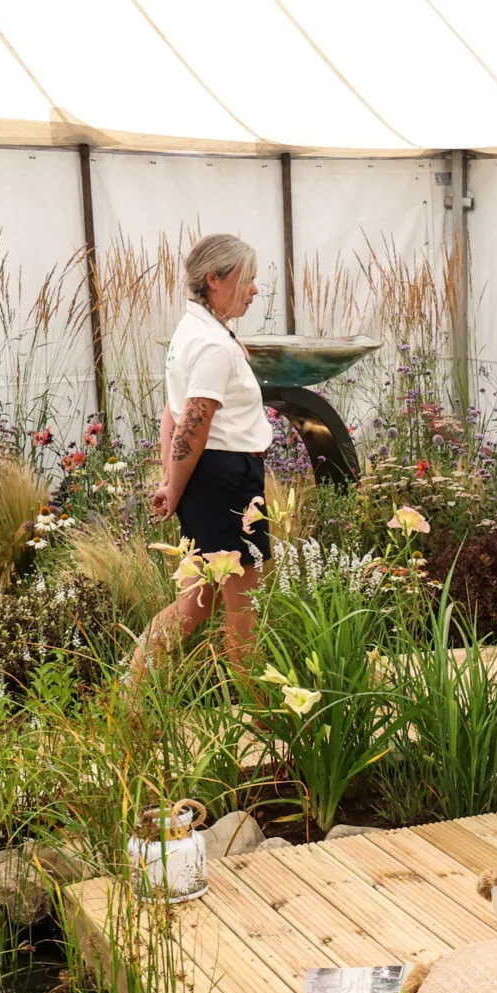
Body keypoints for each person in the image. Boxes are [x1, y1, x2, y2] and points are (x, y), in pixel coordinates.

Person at [138, 232, 274, 670]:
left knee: (199, 603)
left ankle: (129, 692)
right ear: (215, 279)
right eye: (247, 278)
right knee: (242, 607)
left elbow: (170, 415)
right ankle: (261, 712)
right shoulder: (213, 344)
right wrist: (174, 489)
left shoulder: (191, 331)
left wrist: (170, 482)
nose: (254, 289)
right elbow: (191, 427)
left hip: (212, 482)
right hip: (226, 484)